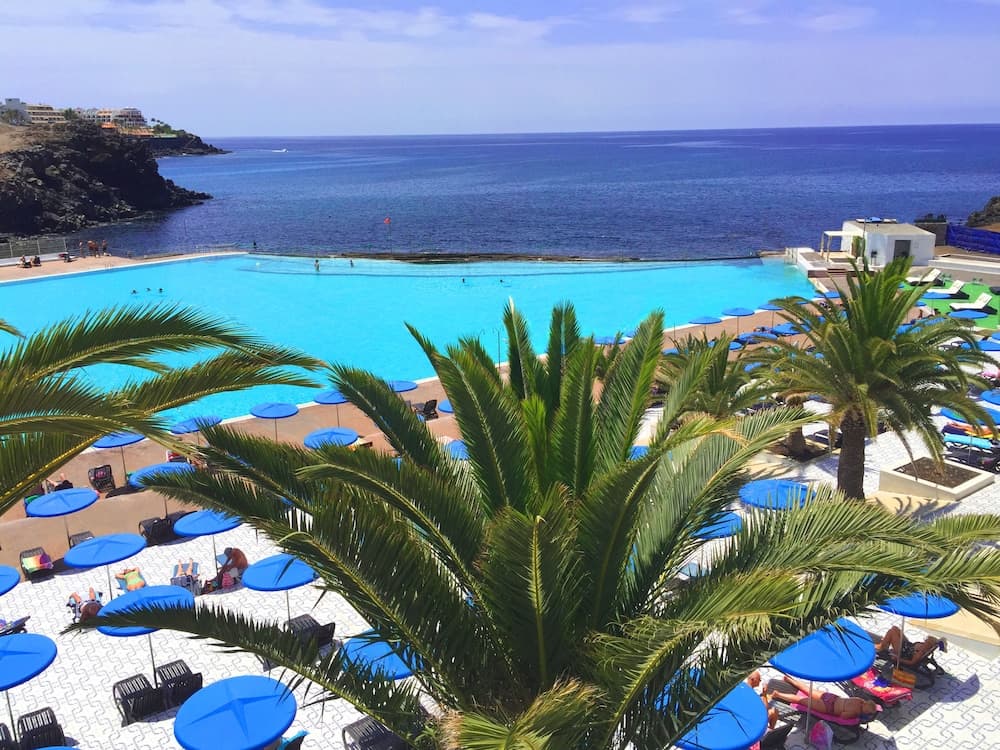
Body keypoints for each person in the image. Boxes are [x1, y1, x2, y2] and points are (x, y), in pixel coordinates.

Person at [768, 674, 878, 722]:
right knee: (801, 700)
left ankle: (790, 680)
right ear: (865, 710)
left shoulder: (859, 700)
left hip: (832, 697)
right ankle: (778, 694)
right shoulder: (855, 711)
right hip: (828, 707)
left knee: (808, 690)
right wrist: (855, 716)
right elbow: (843, 716)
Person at [876, 625, 946, 666]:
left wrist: (898, 659)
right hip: (907, 645)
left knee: (892, 632)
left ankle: (882, 646)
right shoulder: (925, 646)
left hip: (902, 652)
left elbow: (911, 663)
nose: (925, 640)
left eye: (927, 640)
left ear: (929, 644)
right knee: (894, 628)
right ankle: (885, 644)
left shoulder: (921, 651)